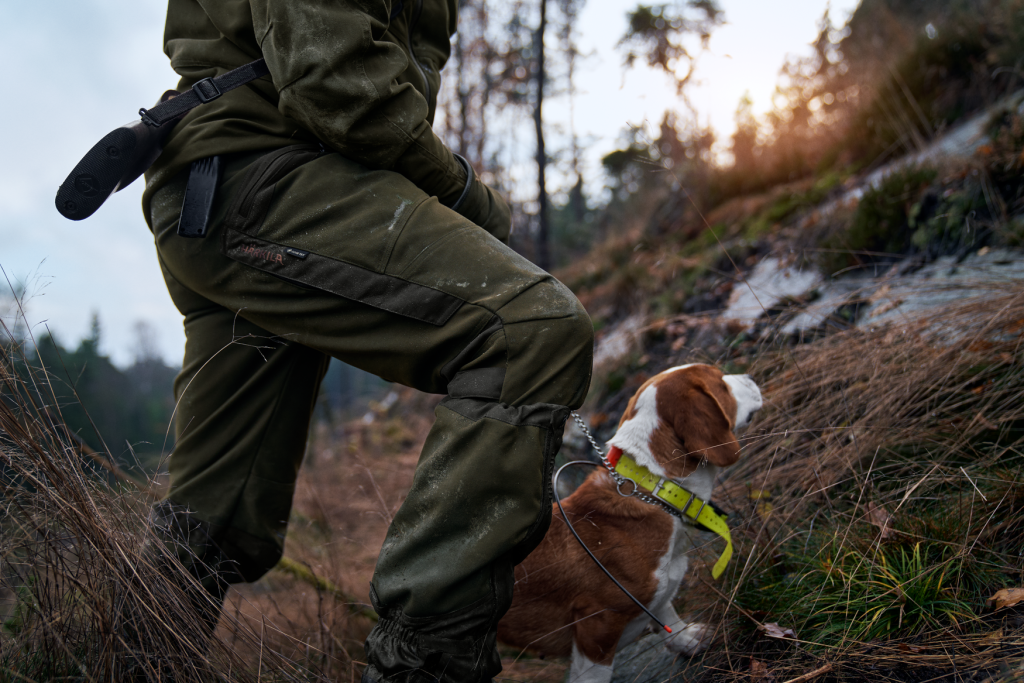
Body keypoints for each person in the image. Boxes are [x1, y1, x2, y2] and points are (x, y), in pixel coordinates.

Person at [141, 1, 595, 681]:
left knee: (217, 509)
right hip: (261, 176)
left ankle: (120, 660)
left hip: (230, 183)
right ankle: (424, 666)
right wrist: (472, 197)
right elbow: (337, 80)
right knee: (530, 329)